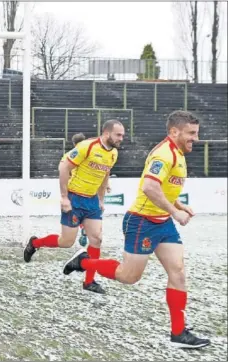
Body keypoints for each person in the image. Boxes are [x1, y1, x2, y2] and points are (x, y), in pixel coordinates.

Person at [62, 111, 210, 349]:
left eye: (197, 133)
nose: (196, 138)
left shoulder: (178, 153)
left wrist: (179, 205)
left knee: (178, 271)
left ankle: (178, 332)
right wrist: (176, 212)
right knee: (128, 276)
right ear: (174, 132)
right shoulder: (164, 154)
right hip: (141, 221)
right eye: (191, 133)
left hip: (163, 223)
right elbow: (150, 187)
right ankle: (84, 262)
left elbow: (162, 188)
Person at [23, 119, 125, 294]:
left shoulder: (113, 153)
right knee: (66, 241)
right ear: (107, 133)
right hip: (75, 198)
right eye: (118, 135)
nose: (122, 138)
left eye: (123, 135)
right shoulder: (87, 146)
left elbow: (105, 174)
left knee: (97, 239)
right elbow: (63, 167)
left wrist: (101, 200)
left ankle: (89, 281)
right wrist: (64, 197)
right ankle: (35, 243)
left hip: (91, 200)